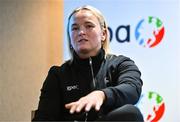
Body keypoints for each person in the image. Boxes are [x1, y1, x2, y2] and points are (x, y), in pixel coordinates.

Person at [33, 5, 144, 121]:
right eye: (75, 28)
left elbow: (132, 88)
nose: (81, 32)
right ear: (70, 37)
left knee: (131, 113)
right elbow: (43, 118)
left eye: (89, 26)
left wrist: (102, 95)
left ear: (103, 34)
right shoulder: (58, 74)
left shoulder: (121, 64)